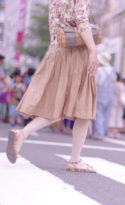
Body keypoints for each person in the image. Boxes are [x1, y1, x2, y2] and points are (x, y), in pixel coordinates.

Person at [6, 0, 99, 173]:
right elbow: (82, 21)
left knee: (57, 105)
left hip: (56, 52)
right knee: (84, 106)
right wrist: (93, 50)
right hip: (76, 54)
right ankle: (75, 159)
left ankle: (23, 134)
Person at [93, 52, 119, 140]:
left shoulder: (99, 70)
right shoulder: (112, 70)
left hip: (101, 94)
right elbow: (115, 84)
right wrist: (118, 97)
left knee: (99, 114)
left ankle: (99, 133)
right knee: (106, 115)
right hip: (110, 95)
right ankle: (103, 132)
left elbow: (95, 83)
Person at [107, 73, 125, 139]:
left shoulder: (112, 85)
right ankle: (118, 134)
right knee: (119, 118)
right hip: (120, 104)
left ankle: (110, 133)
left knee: (112, 118)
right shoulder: (122, 85)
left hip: (113, 103)